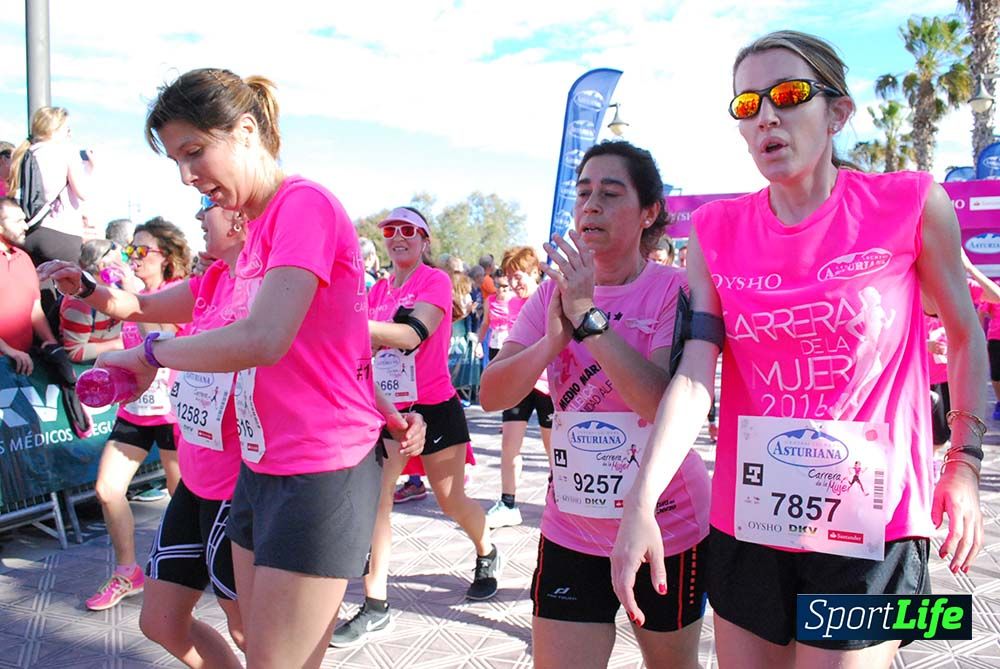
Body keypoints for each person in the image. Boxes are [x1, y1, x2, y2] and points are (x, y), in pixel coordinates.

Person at [611, 30, 986, 669]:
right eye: (748, 104)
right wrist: (639, 502)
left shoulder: (910, 202)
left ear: (837, 112)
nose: (767, 116)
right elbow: (696, 373)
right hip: (750, 520)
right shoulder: (715, 230)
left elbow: (964, 333)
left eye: (788, 94)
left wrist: (966, 463)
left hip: (875, 526)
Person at [62, 68, 424, 667]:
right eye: (177, 161)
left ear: (247, 130)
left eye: (195, 151)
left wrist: (150, 354)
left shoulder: (302, 204)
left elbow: (264, 338)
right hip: (260, 462)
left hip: (322, 464)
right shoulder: (255, 235)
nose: (188, 175)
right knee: (258, 649)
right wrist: (101, 299)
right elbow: (321, 346)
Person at [480, 141, 710, 669]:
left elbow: (657, 401)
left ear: (649, 212)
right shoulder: (548, 296)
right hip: (573, 526)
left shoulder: (673, 290)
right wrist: (551, 343)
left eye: (610, 193)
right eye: (583, 193)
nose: (591, 206)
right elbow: (493, 395)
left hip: (664, 523)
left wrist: (590, 319)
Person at [40, 199, 249, 667]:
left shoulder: (264, 291)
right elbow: (138, 308)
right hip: (195, 476)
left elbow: (222, 346)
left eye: (210, 203)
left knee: (248, 630)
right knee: (160, 621)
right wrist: (87, 287)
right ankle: (126, 569)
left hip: (240, 483)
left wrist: (151, 353)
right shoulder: (211, 282)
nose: (198, 216)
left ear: (243, 219)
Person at [333, 207, 500, 649]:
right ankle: (376, 605)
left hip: (436, 404)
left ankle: (486, 550)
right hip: (388, 407)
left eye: (410, 230)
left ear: (425, 241)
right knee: (378, 502)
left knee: (451, 501)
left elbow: (411, 335)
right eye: (391, 230)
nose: (398, 237)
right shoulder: (378, 290)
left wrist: (351, 327)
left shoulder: (436, 281)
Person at [74, 217, 190, 610]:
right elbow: (122, 346)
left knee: (183, 500)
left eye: (142, 251)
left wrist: (135, 295)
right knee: (107, 490)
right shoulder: (132, 297)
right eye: (129, 251)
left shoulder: (178, 293)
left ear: (167, 258)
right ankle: (128, 572)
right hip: (136, 413)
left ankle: (196, 569)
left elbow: (159, 341)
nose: (133, 258)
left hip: (175, 416)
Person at [482, 246, 554, 529]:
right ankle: (508, 502)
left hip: (549, 385)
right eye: (510, 277)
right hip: (520, 382)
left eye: (519, 275)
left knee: (553, 448)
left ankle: (559, 497)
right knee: (509, 444)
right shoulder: (512, 304)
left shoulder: (550, 296)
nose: (514, 283)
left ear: (535, 272)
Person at [7, 106, 95, 265]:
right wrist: (90, 168)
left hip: (30, 232)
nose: (70, 134)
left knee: (39, 285)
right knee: (68, 286)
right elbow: (83, 192)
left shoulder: (24, 153)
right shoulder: (66, 152)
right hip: (61, 234)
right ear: (55, 130)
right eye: (67, 129)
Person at [0, 197, 60, 375]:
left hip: (22, 364)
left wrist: (52, 343)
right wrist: (8, 351)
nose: (25, 226)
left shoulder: (24, 258)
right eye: (18, 221)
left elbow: (35, 308)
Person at [58, 239, 127, 362]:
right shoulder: (79, 302)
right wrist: (119, 344)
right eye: (120, 259)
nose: (125, 264)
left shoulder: (119, 288)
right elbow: (75, 352)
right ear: (103, 265)